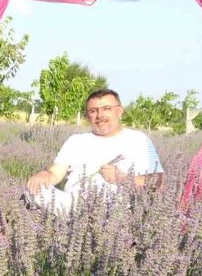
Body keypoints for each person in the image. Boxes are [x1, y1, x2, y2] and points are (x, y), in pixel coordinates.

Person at [24, 89, 164, 215]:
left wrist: (122, 178)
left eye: (106, 108)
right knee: (32, 189)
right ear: (87, 115)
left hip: (115, 210)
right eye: (93, 111)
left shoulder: (138, 140)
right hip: (72, 206)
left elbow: (158, 182)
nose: (100, 115)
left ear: (120, 111)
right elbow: (55, 173)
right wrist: (43, 175)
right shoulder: (76, 141)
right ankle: (78, 226)